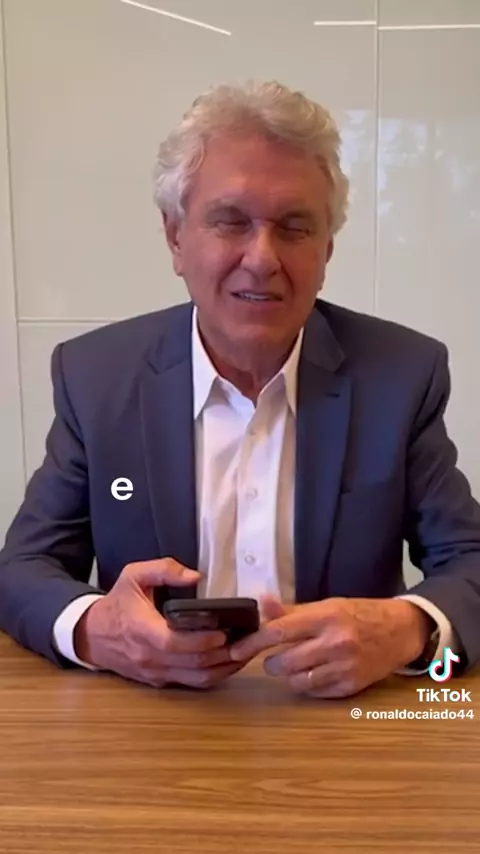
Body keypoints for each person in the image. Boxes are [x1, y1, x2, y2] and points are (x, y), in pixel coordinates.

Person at [1, 81, 479, 699]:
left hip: (344, 727)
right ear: (175, 237)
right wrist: (98, 628)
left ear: (327, 249)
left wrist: (410, 628)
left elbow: (469, 560)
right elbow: (24, 568)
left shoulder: (401, 375)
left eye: (295, 227)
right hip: (150, 723)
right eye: (231, 222)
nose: (262, 258)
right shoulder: (97, 377)